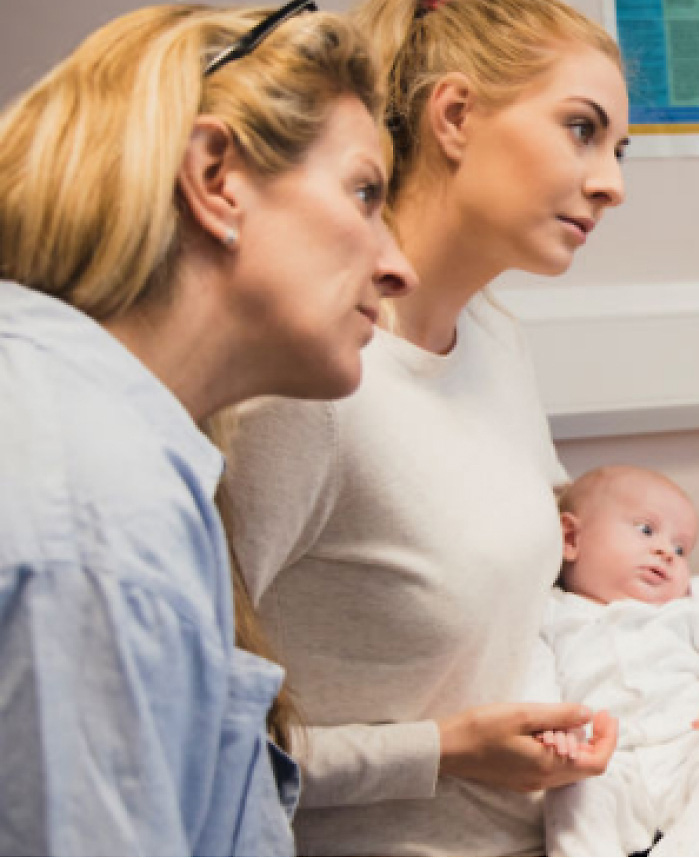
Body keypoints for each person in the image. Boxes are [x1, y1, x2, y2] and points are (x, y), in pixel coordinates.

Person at [218, 1, 699, 854]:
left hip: (599, 823)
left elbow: (575, 575)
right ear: (456, 115)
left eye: (618, 149)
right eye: (582, 130)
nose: (612, 181)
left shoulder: (495, 338)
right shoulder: (305, 391)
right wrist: (445, 751)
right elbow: (195, 746)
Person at [0, 3, 413, 853]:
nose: (393, 263)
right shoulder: (97, 516)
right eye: (365, 192)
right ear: (216, 177)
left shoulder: (92, 437)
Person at [537, 466, 699, 857]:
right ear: (571, 538)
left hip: (690, 745)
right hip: (603, 758)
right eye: (645, 530)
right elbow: (531, 676)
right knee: (572, 787)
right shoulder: (548, 614)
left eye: (680, 549)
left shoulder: (692, 603)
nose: (665, 553)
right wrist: (549, 726)